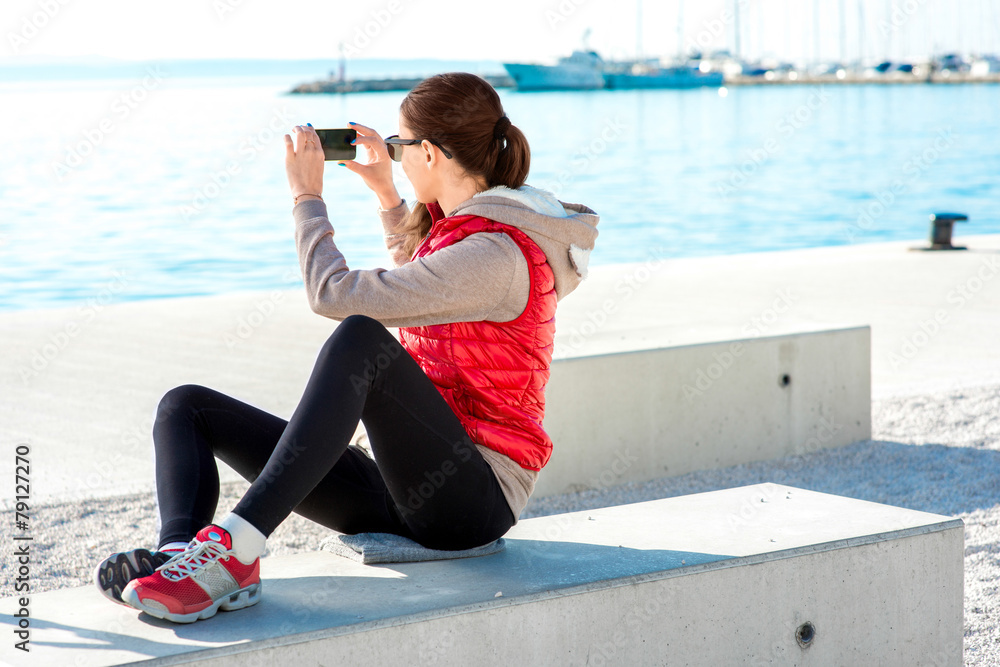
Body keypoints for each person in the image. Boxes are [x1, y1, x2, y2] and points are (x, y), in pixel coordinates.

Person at [94, 72, 599, 623]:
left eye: (401, 145)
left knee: (360, 338)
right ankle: (182, 557)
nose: (397, 156)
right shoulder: (468, 237)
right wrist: (385, 192)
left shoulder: (496, 253)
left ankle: (236, 551)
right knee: (185, 407)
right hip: (404, 483)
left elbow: (333, 294)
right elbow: (428, 287)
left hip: (472, 498)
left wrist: (307, 198)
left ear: (428, 153)